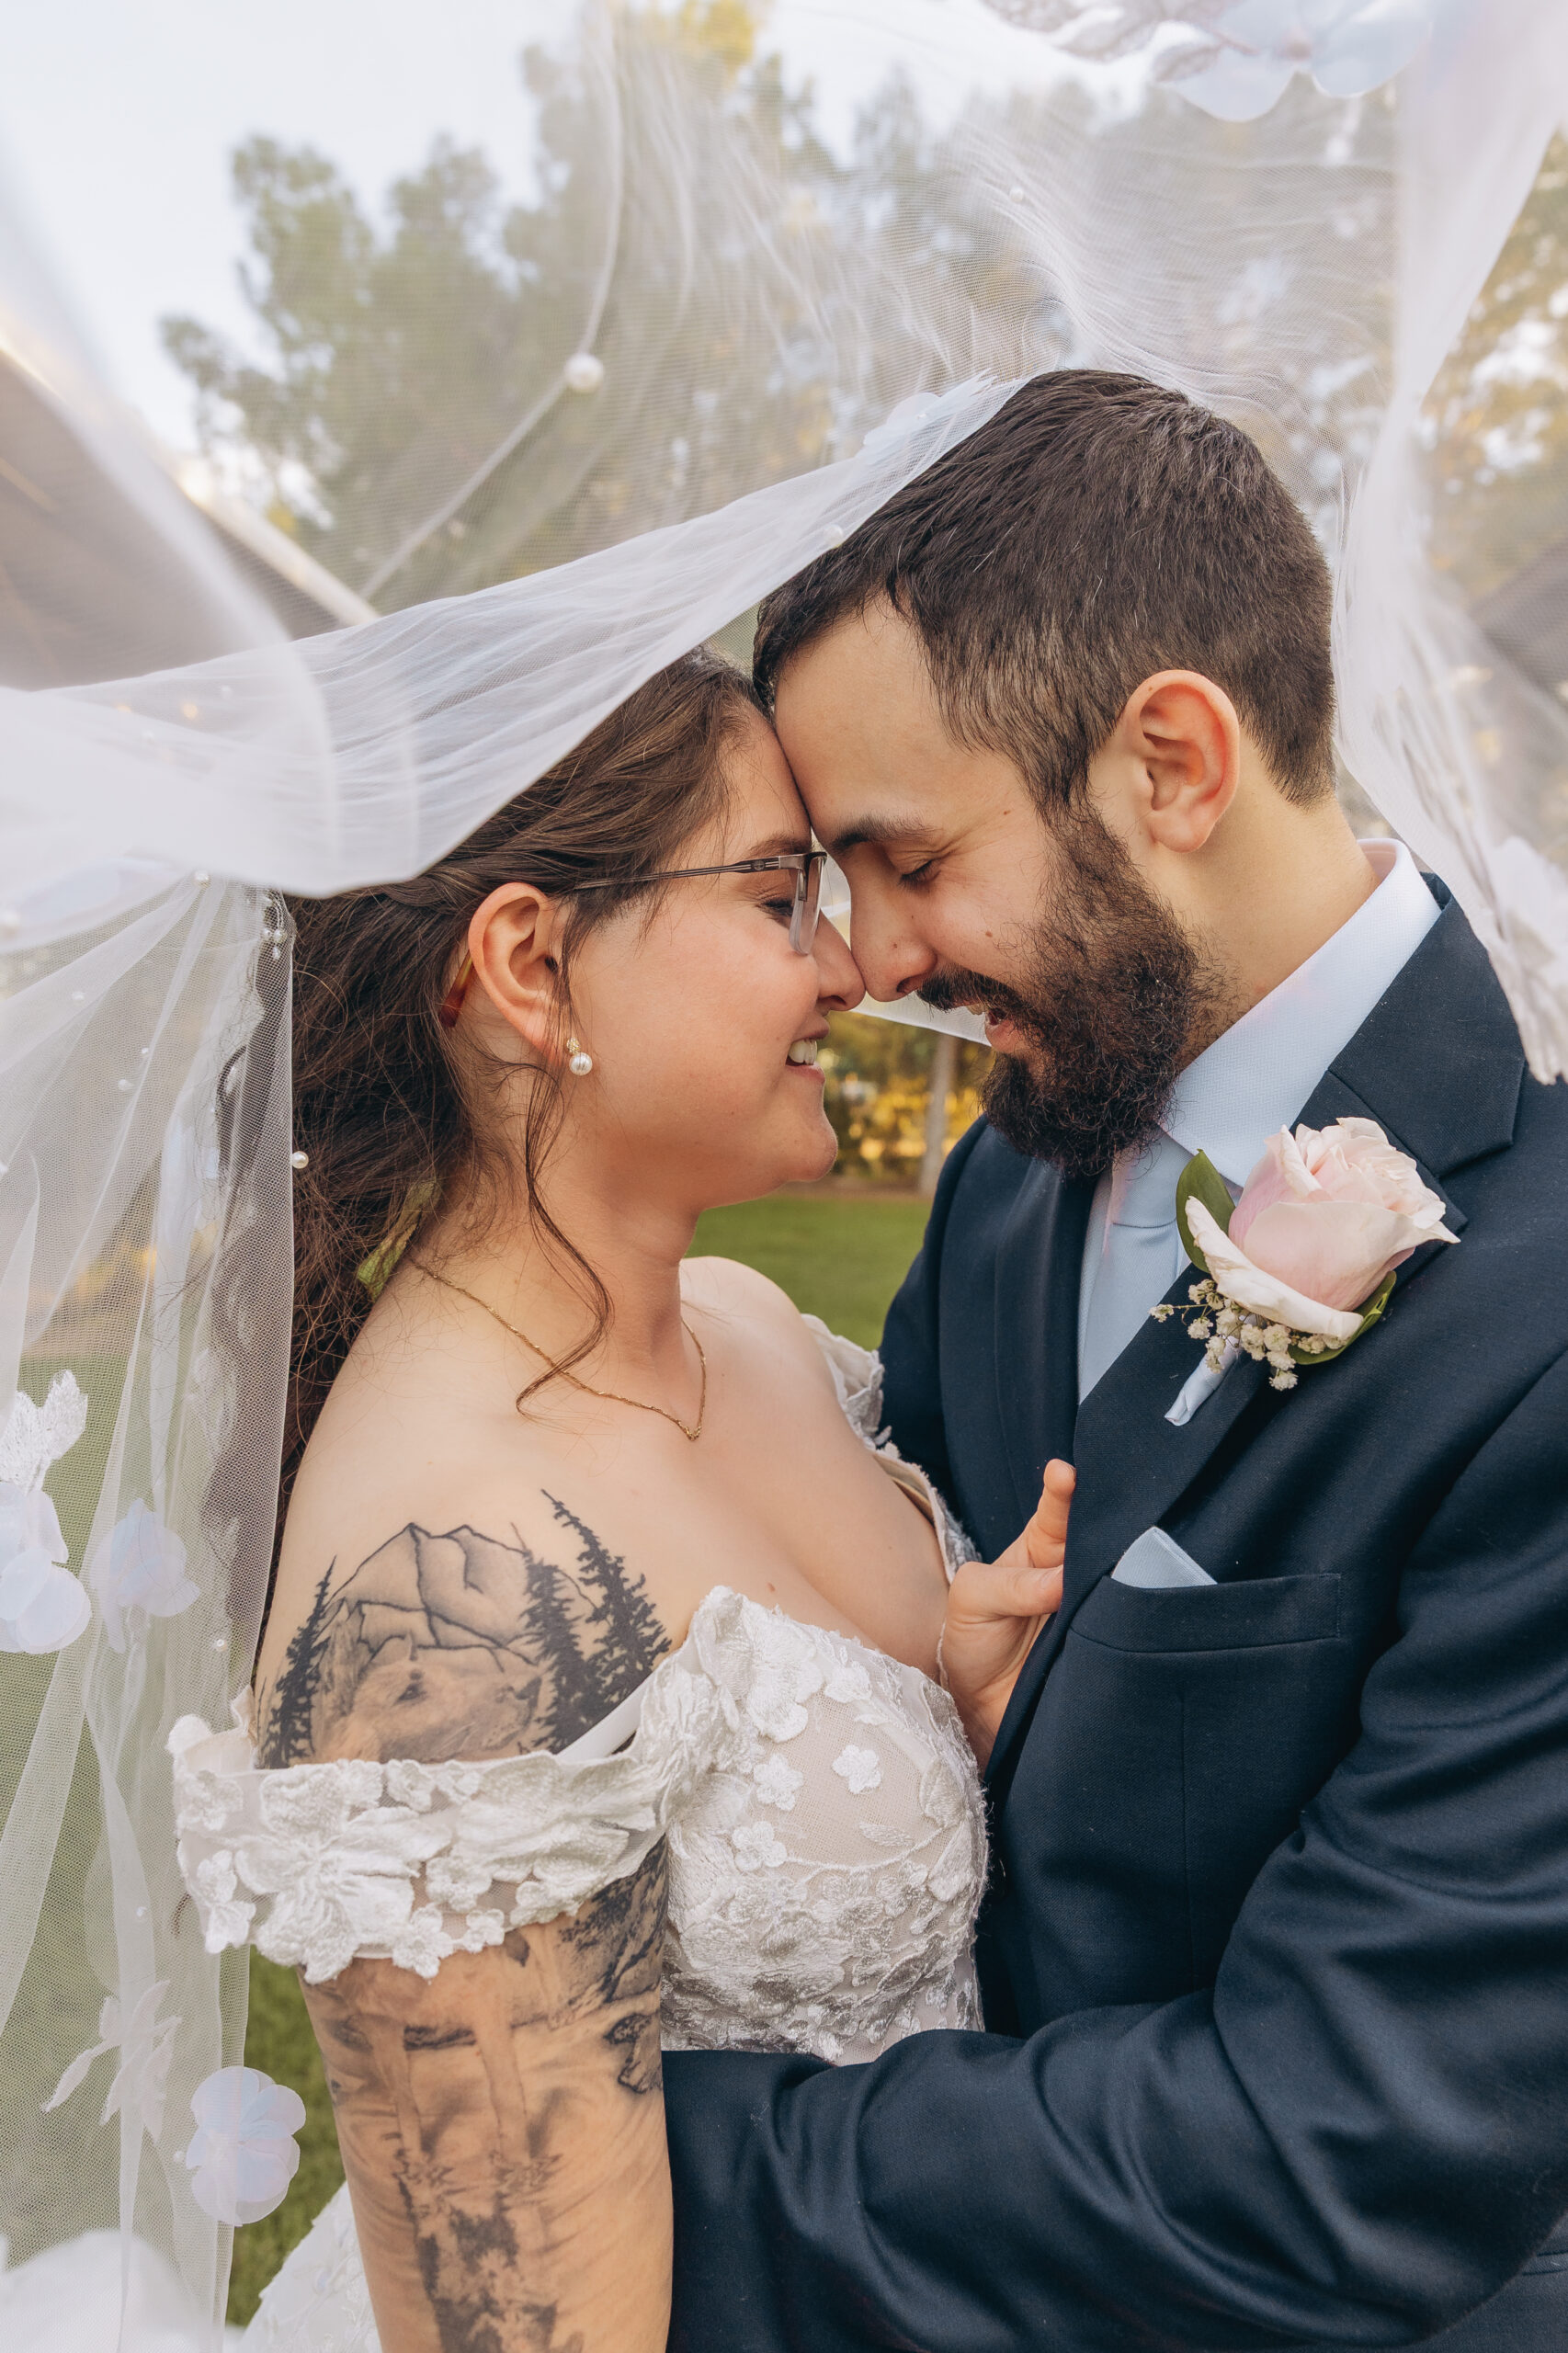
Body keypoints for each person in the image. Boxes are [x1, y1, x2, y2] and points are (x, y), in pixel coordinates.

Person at [659, 372, 1568, 2349]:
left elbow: (1351, 2141)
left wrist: (643, 2158)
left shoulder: (1545, 1306)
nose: (874, 959)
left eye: (907, 855)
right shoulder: (1002, 1183)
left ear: (1171, 757)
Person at [168, 646, 1064, 2353]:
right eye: (777, 895)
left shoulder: (755, 1333)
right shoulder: (449, 1582)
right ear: (528, 965)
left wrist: (940, 1689)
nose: (855, 964)